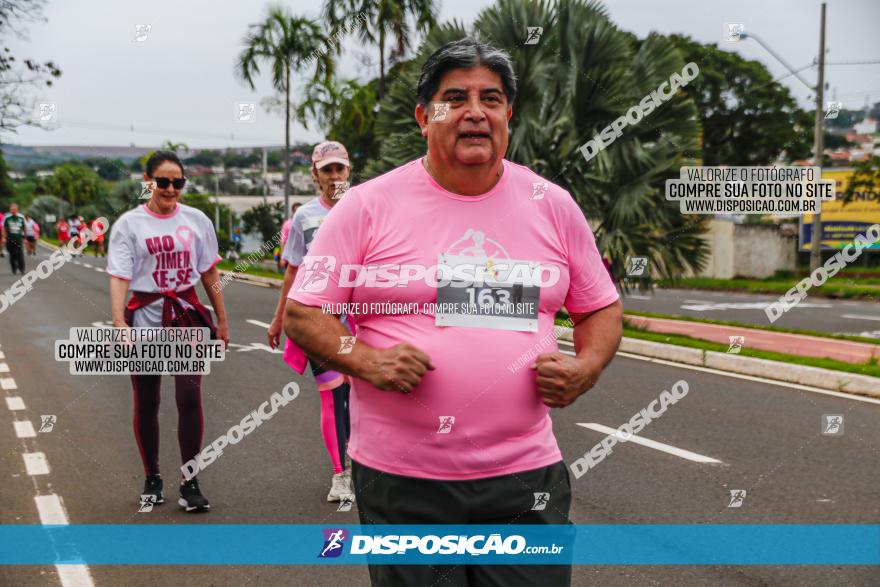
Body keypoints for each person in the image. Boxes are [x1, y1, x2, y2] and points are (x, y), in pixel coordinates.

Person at [283, 38, 623, 586]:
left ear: (508, 114)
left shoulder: (552, 206)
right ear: (424, 116)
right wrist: (366, 362)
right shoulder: (366, 206)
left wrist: (586, 369)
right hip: (404, 481)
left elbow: (600, 308)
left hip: (524, 475)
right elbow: (305, 313)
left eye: (491, 98)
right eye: (454, 98)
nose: (474, 112)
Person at [107, 151, 230, 513]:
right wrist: (118, 324)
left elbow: (210, 274)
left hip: (186, 317)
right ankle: (152, 477)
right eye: (163, 182)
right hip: (144, 319)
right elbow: (119, 277)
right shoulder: (129, 225)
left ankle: (190, 482)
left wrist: (222, 319)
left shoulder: (197, 221)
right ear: (148, 181)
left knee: (189, 400)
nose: (171, 188)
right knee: (148, 402)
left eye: (178, 182)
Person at [267, 141, 354, 502]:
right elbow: (294, 273)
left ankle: (367, 464)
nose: (334, 176)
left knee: (360, 395)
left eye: (340, 169)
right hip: (322, 317)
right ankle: (341, 473)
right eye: (327, 170)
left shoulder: (364, 207)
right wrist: (278, 319)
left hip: (363, 318)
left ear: (349, 170)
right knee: (333, 393)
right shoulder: (304, 217)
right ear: (315, 175)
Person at [2, 203, 26, 274]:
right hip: (10, 239)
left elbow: (24, 228)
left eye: (14, 209)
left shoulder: (21, 217)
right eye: (12, 209)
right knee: (12, 255)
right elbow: (4, 228)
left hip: (19, 239)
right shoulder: (7, 217)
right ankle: (14, 268)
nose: (13, 211)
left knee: (20, 254)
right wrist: (4, 237)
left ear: (17, 210)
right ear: (10, 210)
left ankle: (22, 269)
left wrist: (25, 238)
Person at [278, 201, 301, 271]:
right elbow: (283, 242)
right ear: (293, 212)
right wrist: (282, 258)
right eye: (296, 210)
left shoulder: (307, 223)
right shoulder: (288, 224)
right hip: (290, 256)